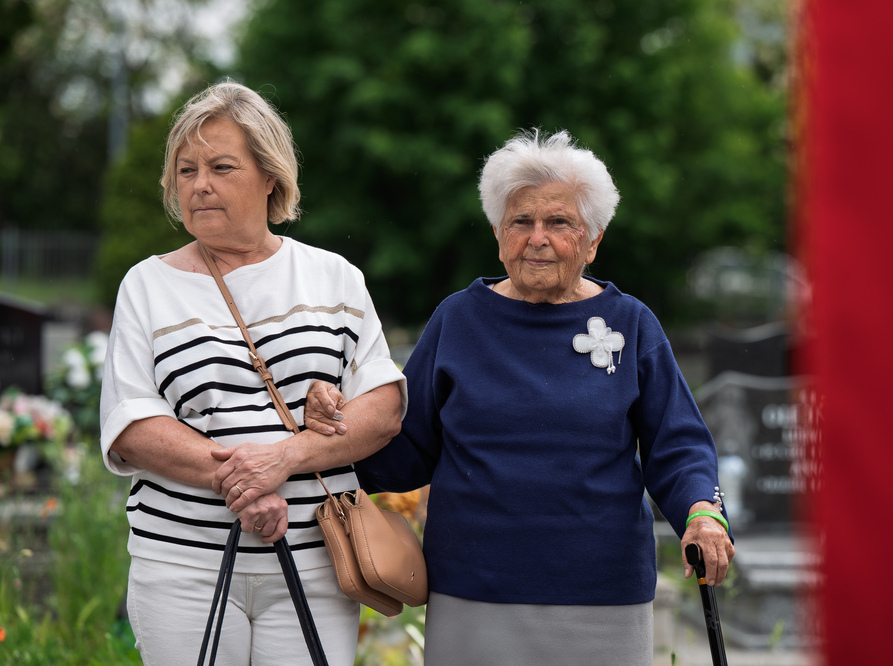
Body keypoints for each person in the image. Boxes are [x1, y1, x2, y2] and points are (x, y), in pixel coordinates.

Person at [304, 129, 734, 665]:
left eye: (559, 222)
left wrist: (702, 512)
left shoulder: (632, 324)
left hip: (603, 596)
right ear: (498, 234)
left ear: (593, 238)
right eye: (521, 222)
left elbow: (678, 444)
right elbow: (404, 452)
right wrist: (343, 418)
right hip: (473, 590)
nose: (538, 238)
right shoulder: (458, 320)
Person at [99, 80, 405, 666]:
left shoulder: (333, 277)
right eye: (186, 170)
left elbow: (384, 407)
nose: (199, 185)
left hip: (319, 559)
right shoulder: (147, 285)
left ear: (271, 176)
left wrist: (281, 462)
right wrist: (236, 484)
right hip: (183, 563)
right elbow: (132, 422)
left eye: (220, 166)